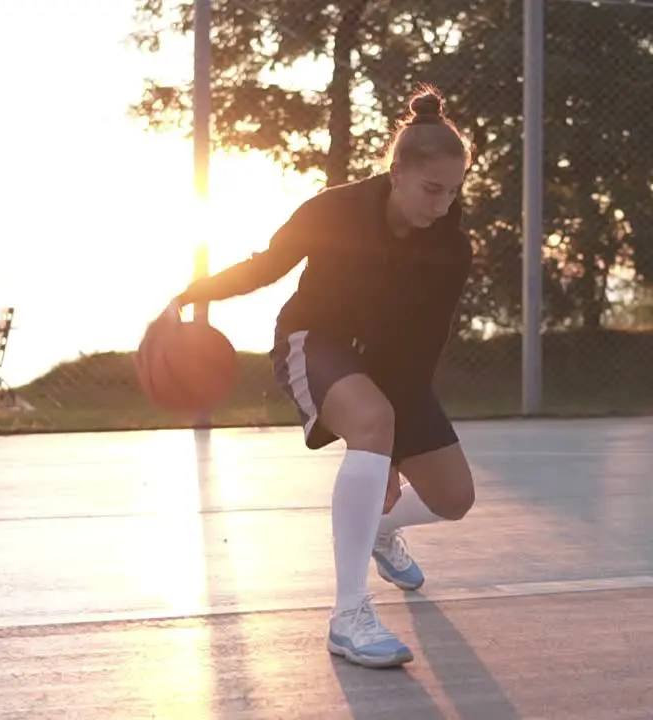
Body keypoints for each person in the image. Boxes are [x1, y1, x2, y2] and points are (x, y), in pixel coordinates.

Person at [173, 85, 476, 669]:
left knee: (454, 498)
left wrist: (392, 460)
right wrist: (194, 294)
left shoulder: (451, 248)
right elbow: (267, 265)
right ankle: (349, 616)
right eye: (431, 189)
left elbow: (422, 348)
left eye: (453, 192)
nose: (441, 205)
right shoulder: (334, 210)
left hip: (394, 364)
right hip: (313, 341)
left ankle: (382, 530)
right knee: (373, 421)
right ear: (397, 173)